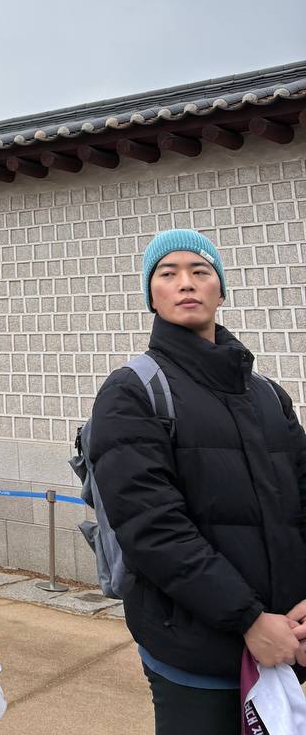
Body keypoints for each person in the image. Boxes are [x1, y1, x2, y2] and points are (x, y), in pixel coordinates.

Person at [88, 228, 306, 735]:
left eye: (200, 271)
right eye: (168, 274)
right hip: (195, 656)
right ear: (152, 295)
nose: (186, 283)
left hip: (286, 643)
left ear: (221, 291)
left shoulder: (269, 396)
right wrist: (250, 619)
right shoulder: (133, 391)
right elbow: (152, 528)